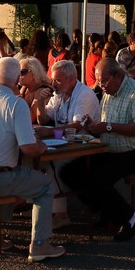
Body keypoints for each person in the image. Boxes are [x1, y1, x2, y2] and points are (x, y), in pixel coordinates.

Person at [0, 57, 65, 261]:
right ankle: (40, 245)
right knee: (44, 185)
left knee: (8, 172)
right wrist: (42, 145)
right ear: (16, 79)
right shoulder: (16, 104)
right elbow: (29, 149)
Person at [62, 58, 135, 241]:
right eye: (98, 81)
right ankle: (106, 210)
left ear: (118, 76)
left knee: (98, 180)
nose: (101, 86)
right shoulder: (108, 92)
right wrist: (93, 128)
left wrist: (108, 127)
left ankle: (130, 219)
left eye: (104, 81)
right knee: (70, 172)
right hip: (109, 150)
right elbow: (106, 125)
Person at [35, 59, 101, 229]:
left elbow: (77, 125)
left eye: (57, 80)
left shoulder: (84, 94)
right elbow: (43, 119)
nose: (53, 84)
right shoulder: (59, 94)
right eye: (52, 79)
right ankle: (34, 205)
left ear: (71, 79)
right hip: (65, 143)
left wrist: (49, 132)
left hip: (86, 145)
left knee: (52, 164)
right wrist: (40, 103)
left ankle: (61, 214)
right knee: (34, 160)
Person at [18, 56, 53, 124]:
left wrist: (19, 98)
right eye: (17, 72)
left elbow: (31, 118)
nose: (19, 75)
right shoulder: (25, 88)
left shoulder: (43, 90)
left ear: (34, 73)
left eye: (22, 72)